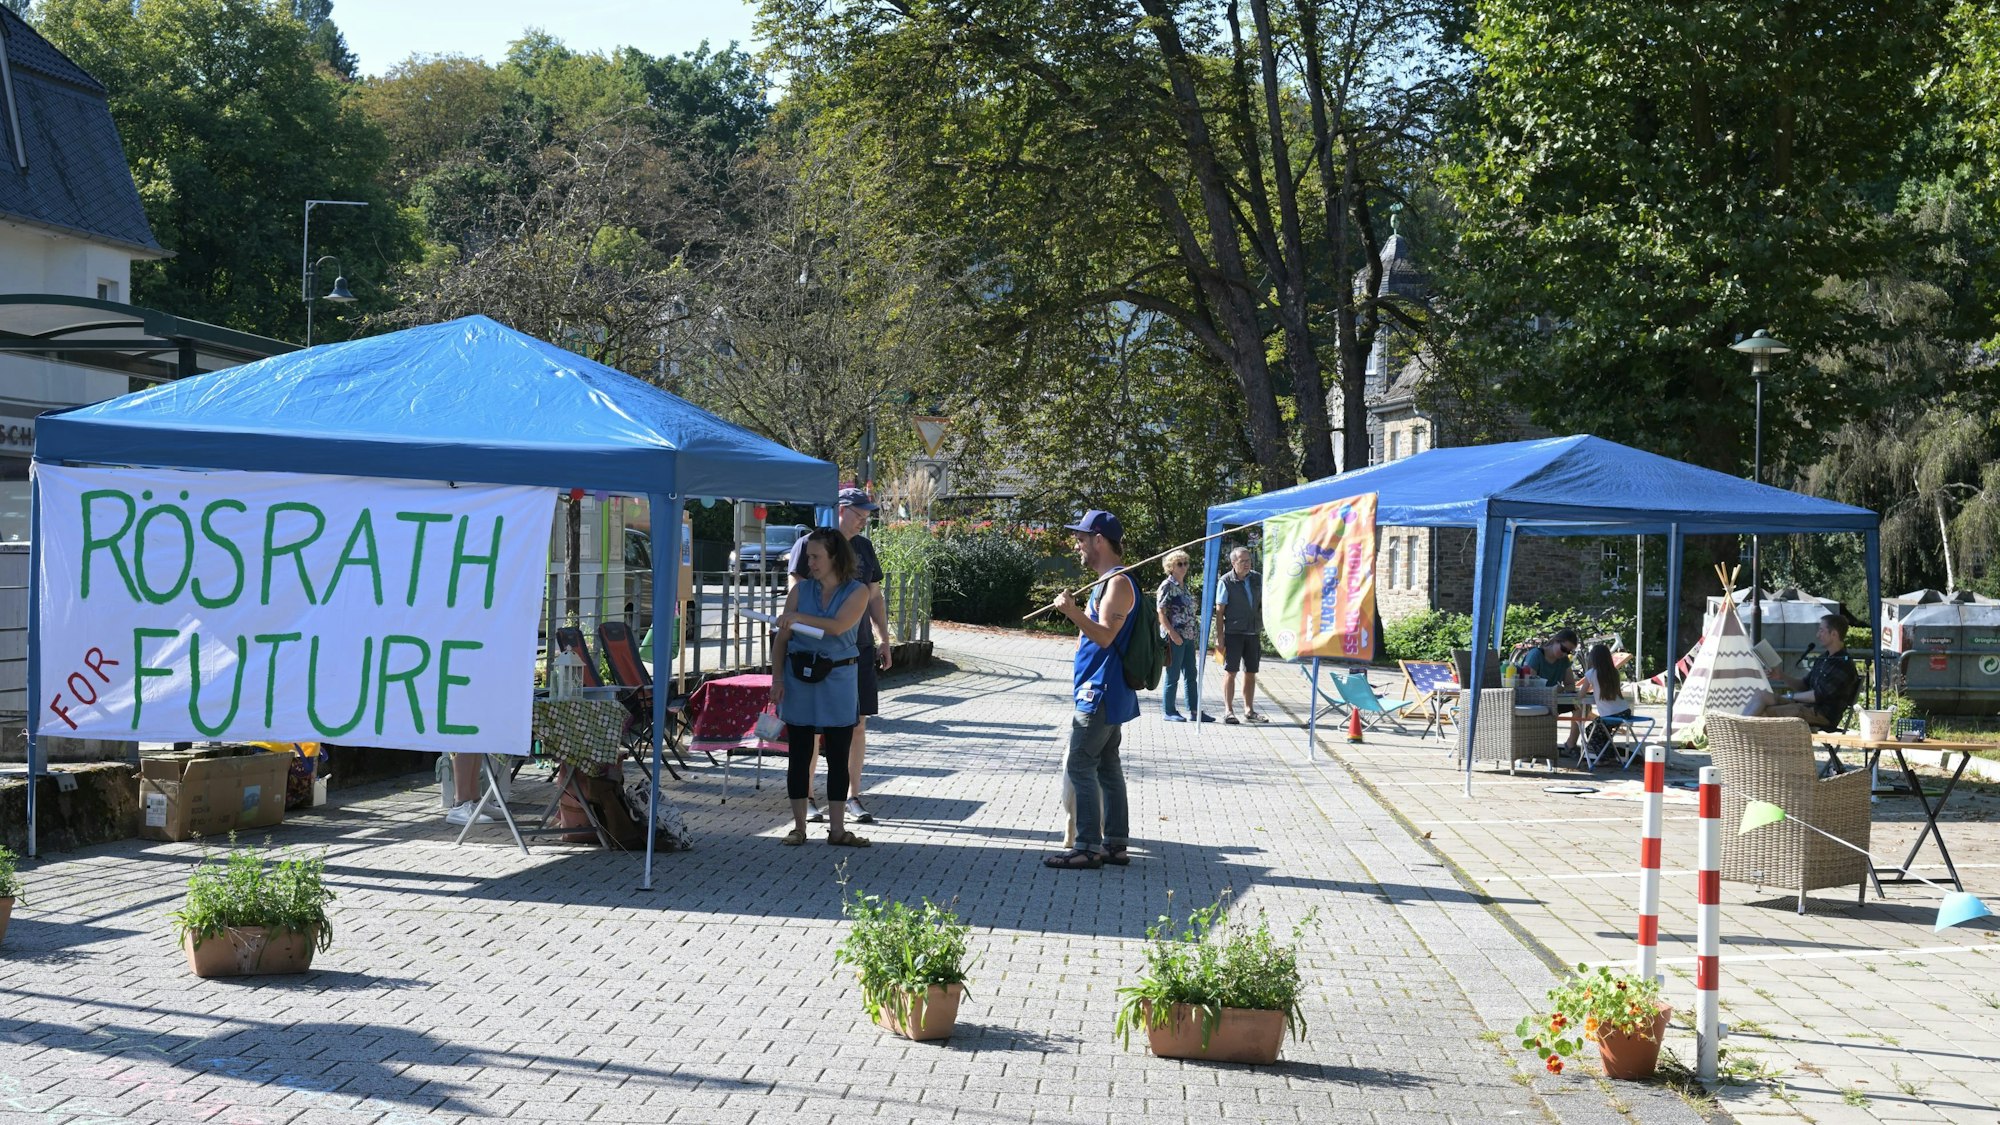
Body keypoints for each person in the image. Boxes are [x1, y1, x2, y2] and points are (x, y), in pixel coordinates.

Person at [787, 487, 892, 823]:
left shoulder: (863, 547)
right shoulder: (809, 544)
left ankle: (852, 797)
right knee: (814, 729)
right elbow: (797, 593)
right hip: (813, 652)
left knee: (857, 724)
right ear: (841, 509)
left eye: (866, 515)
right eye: (859, 513)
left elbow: (875, 596)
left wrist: (884, 638)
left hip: (856, 648)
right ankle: (809, 797)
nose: (863, 520)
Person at [770, 528, 875, 847]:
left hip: (839, 680)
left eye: (815, 556)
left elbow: (839, 626)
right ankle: (799, 826)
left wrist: (796, 617)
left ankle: (838, 830)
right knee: (799, 754)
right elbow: (781, 640)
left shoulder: (858, 592)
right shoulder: (800, 591)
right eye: (807, 556)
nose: (809, 562)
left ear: (834, 557)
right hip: (800, 678)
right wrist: (777, 678)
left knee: (838, 755)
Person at [1045, 509, 1136, 870]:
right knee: (1108, 767)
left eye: (1082, 538)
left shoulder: (1117, 583)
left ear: (1100, 540)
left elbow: (1104, 636)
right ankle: (1115, 843)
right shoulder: (1107, 582)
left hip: (1100, 691)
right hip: (1099, 688)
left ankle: (1087, 846)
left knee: (1080, 764)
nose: (1077, 545)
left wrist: (1071, 611)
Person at [1747, 614, 1859, 731]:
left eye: (1821, 630)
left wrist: (1789, 696)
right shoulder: (1823, 658)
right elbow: (1804, 686)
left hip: (1821, 714)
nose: (1818, 635)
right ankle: (1736, 731)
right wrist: (1782, 676)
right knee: (1762, 695)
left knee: (1765, 713)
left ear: (1834, 634)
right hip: (1805, 706)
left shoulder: (1843, 664)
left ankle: (1741, 738)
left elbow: (1817, 696)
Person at [1212, 546, 1268, 723]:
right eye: (1242, 561)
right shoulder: (1226, 581)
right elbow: (1220, 612)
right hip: (1233, 632)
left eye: (1249, 560)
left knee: (1251, 672)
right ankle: (1228, 711)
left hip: (1253, 631)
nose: (1246, 564)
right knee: (1231, 671)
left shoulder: (1257, 578)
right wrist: (1219, 637)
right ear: (1233, 562)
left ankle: (1249, 710)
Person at [1155, 550, 1202, 722]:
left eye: (1185, 563)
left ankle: (1195, 711)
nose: (1184, 567)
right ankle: (1169, 710)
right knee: (1173, 674)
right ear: (1171, 567)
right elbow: (1160, 612)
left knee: (1191, 673)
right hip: (1175, 636)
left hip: (1188, 636)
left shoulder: (1184, 586)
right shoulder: (1167, 586)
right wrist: (1171, 633)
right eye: (1179, 564)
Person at [1518, 628, 1581, 753]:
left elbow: (1570, 684)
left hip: (1554, 699)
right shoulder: (1536, 655)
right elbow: (1529, 685)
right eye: (1563, 649)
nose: (1565, 654)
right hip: (1535, 700)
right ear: (1556, 641)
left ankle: (1570, 745)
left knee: (1581, 707)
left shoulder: (1564, 660)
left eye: (1569, 652)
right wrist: (1551, 690)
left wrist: (1561, 690)